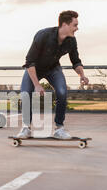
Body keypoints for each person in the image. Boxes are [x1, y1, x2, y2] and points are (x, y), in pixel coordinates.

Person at [16, 10, 89, 139]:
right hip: (34, 68)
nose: (77, 28)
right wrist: (37, 85)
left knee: (62, 92)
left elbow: (76, 61)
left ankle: (59, 128)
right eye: (75, 25)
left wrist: (82, 75)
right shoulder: (43, 35)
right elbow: (29, 62)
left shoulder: (71, 41)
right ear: (65, 25)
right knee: (26, 94)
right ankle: (26, 128)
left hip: (53, 68)